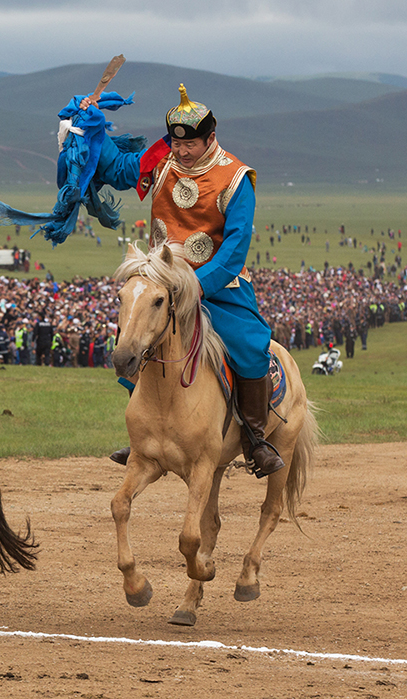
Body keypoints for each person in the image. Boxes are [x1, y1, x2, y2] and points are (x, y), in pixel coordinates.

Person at [82, 84, 284, 478]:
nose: (182, 151)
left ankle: (256, 439)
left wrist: (195, 286)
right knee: (135, 338)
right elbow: (118, 169)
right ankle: (145, 435)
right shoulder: (162, 163)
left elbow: (235, 249)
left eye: (190, 144)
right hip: (160, 284)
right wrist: (89, 132)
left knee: (250, 345)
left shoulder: (236, 179)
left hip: (218, 286)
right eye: (176, 144)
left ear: (210, 138)